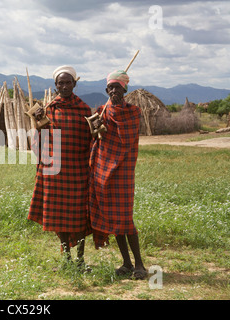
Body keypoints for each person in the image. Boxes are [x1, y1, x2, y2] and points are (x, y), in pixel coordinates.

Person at [28, 66, 92, 270]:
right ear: (55, 85)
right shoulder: (48, 110)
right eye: (60, 83)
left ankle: (80, 260)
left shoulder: (84, 110)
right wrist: (38, 121)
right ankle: (66, 259)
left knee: (80, 217)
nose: (64, 86)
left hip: (79, 171)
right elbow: (41, 141)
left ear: (75, 83)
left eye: (68, 82)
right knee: (60, 217)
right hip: (54, 171)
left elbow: (92, 140)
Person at [88, 70, 147, 279]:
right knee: (116, 220)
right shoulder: (101, 112)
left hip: (122, 171)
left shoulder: (132, 112)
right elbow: (96, 138)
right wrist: (96, 125)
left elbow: (127, 139)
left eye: (118, 87)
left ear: (125, 89)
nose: (114, 91)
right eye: (111, 88)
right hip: (103, 171)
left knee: (126, 220)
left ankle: (140, 264)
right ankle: (127, 263)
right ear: (106, 90)